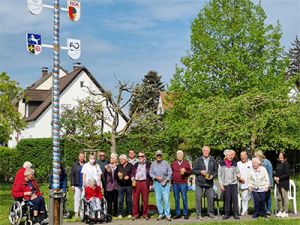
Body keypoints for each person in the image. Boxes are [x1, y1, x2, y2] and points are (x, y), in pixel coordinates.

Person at [192, 146, 218, 219]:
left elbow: (216, 171)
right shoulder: (198, 160)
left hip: (209, 182)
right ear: (202, 151)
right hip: (200, 182)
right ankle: (199, 214)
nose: (205, 152)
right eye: (204, 150)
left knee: (211, 197)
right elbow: (193, 170)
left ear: (209, 151)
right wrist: (200, 172)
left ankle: (210, 213)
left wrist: (213, 176)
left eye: (207, 150)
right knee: (198, 197)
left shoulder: (213, 160)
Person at [150, 150, 172, 221]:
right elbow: (150, 173)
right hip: (157, 183)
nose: (159, 156)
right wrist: (156, 177)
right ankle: (161, 213)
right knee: (158, 199)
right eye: (157, 155)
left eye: (160, 155)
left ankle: (167, 215)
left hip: (166, 183)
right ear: (155, 156)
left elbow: (170, 172)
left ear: (162, 156)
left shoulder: (166, 163)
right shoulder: (153, 164)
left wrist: (166, 180)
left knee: (166, 199)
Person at [218, 149, 240, 220]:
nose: (230, 156)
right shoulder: (221, 163)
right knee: (227, 198)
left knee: (235, 199)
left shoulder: (235, 163)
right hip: (225, 184)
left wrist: (238, 175)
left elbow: (238, 172)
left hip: (233, 183)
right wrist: (221, 185)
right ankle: (226, 213)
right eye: (229, 155)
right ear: (226, 156)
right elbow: (219, 175)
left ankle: (235, 213)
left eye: (231, 155)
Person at [171, 150, 192, 220]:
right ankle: (178, 213)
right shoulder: (173, 163)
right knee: (176, 199)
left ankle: (186, 213)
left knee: (184, 198)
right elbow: (171, 173)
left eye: (181, 154)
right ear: (176, 156)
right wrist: (171, 182)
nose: (180, 156)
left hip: (183, 183)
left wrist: (185, 171)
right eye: (178, 154)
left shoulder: (186, 163)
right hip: (175, 183)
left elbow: (190, 172)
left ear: (183, 156)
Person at [131, 152, 152, 220]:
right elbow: (132, 173)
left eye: (142, 156)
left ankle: (145, 214)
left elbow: (151, 174)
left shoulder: (148, 164)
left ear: (144, 157)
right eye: (139, 156)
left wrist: (151, 184)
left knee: (145, 199)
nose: (140, 157)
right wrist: (133, 179)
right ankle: (135, 214)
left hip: (145, 182)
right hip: (136, 182)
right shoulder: (136, 164)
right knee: (135, 199)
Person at [254, 150, 273, 215]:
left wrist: (269, 184)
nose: (255, 157)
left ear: (259, 156)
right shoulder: (256, 162)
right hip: (259, 183)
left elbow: (270, 173)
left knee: (267, 197)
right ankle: (261, 210)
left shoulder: (267, 162)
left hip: (266, 183)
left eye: (256, 156)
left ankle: (268, 210)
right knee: (261, 197)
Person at [116, 154, 133, 219]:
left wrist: (129, 177)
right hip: (120, 185)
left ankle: (129, 213)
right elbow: (115, 176)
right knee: (120, 200)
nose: (120, 160)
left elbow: (133, 174)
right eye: (120, 159)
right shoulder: (119, 166)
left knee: (129, 200)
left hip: (128, 185)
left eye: (121, 159)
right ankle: (120, 213)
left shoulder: (131, 165)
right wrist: (118, 175)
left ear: (125, 160)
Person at [274, 152, 290, 218]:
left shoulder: (286, 164)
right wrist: (275, 177)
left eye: (281, 155)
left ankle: (286, 211)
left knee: (284, 198)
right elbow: (276, 172)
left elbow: (287, 174)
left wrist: (279, 178)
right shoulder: (278, 163)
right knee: (279, 198)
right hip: (278, 183)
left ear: (284, 156)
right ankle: (281, 210)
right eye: (279, 155)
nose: (280, 156)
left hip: (284, 183)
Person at [237, 151, 252, 216]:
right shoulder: (238, 164)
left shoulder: (251, 163)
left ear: (246, 156)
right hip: (240, 183)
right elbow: (236, 172)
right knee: (242, 197)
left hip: (249, 184)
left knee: (247, 198)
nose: (243, 157)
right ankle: (242, 210)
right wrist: (239, 177)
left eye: (244, 156)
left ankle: (246, 210)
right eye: (241, 156)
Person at [70, 152, 85, 218]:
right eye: (80, 156)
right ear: (78, 157)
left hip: (84, 185)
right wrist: (72, 185)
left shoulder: (86, 164)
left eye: (82, 156)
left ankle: (82, 212)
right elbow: (72, 175)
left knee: (83, 199)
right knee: (77, 199)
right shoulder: (75, 165)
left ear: (84, 157)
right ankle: (76, 212)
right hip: (77, 184)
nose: (81, 157)